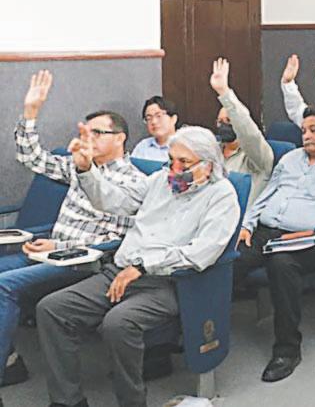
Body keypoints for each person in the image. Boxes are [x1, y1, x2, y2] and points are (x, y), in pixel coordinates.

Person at [37, 126, 240, 407]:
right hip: (120, 271)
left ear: (208, 165)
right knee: (51, 309)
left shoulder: (222, 196)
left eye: (184, 162)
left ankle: (132, 402)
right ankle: (68, 400)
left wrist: (144, 266)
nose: (174, 169)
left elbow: (201, 253)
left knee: (119, 323)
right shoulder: (160, 180)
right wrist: (86, 170)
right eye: (171, 160)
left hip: (169, 282)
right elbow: (112, 201)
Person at [4, 71, 145, 391]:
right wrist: (30, 112)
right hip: (52, 252)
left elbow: (112, 240)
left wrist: (57, 247)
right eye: (86, 132)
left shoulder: (133, 181)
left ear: (120, 138)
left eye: (98, 132)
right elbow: (31, 157)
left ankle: (4, 367)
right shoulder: (77, 165)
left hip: (81, 263)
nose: (89, 138)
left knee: (3, 285)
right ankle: (9, 357)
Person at [234, 53, 315, 382]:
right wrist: (247, 225)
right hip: (266, 231)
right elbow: (266, 196)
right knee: (227, 258)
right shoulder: (292, 158)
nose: (306, 135)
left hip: (312, 241)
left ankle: (287, 349)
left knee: (282, 266)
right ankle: (197, 334)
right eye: (304, 130)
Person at [209, 57, 275, 205]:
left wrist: (224, 92)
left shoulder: (258, 158)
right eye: (220, 121)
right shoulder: (212, 152)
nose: (223, 125)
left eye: (229, 121)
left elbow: (249, 133)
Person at [131, 96, 179, 161]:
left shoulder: (185, 145)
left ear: (173, 119)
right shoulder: (143, 146)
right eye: (149, 118)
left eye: (159, 116)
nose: (154, 122)